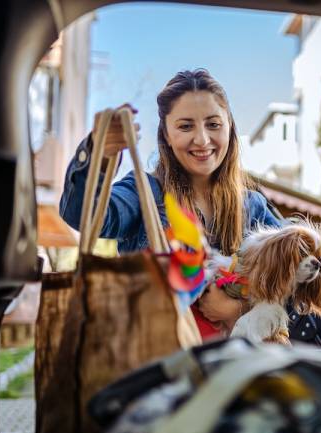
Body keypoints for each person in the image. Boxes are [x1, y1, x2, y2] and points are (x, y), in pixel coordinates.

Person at [60, 69, 282, 329]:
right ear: (166, 134)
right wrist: (98, 150)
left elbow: (298, 272)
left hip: (236, 365)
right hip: (159, 358)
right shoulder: (145, 192)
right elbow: (83, 215)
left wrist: (238, 308)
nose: (202, 139)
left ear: (229, 127)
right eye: (186, 126)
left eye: (213, 124)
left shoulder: (252, 206)